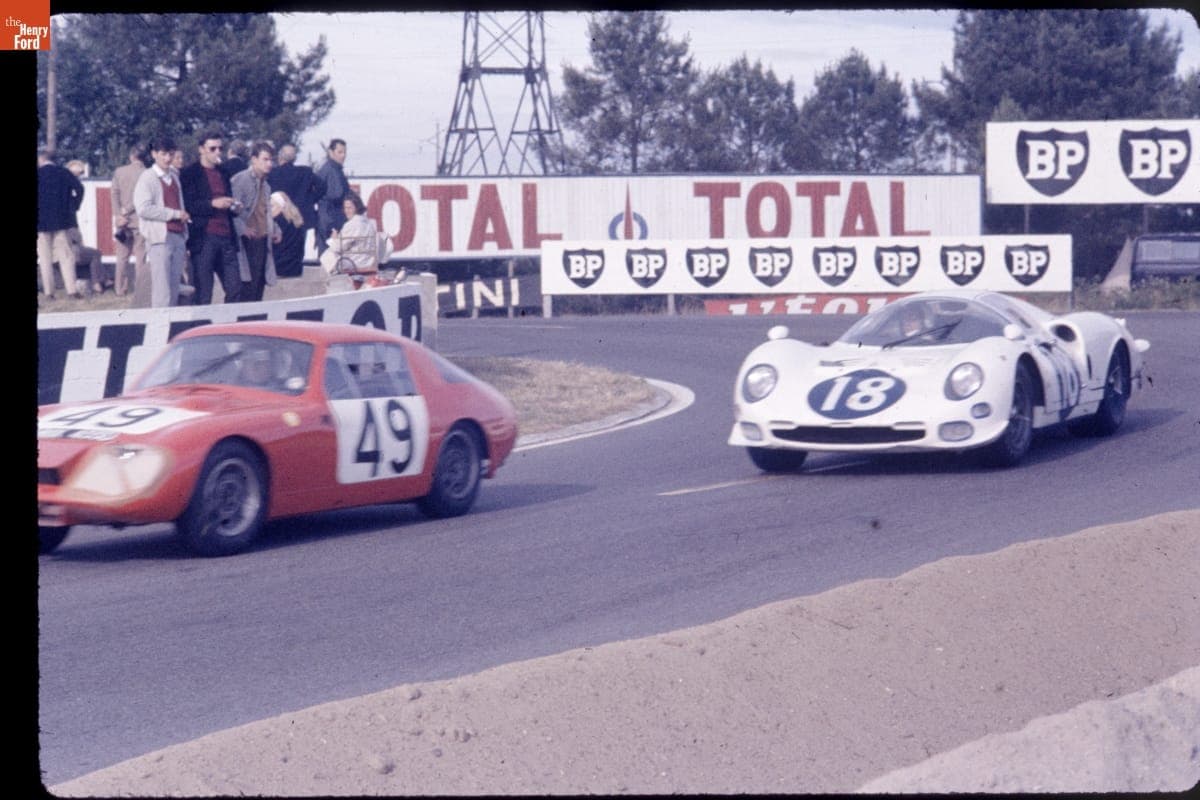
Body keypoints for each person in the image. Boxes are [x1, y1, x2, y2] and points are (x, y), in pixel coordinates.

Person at [181, 131, 243, 304]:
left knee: (235, 287)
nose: (217, 152)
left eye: (220, 148)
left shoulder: (224, 172)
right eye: (212, 148)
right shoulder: (190, 173)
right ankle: (201, 329)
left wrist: (233, 206)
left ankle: (228, 326)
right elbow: (188, 204)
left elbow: (227, 200)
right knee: (203, 291)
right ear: (201, 149)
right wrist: (212, 204)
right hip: (204, 237)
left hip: (226, 236)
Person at [132, 136, 191, 307]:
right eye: (164, 154)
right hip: (160, 239)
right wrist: (174, 214)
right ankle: (159, 328)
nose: (168, 158)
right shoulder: (147, 177)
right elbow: (143, 208)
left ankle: (170, 327)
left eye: (171, 154)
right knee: (162, 290)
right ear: (154, 154)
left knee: (174, 288)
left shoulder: (174, 176)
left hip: (178, 235)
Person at [230, 141, 282, 302]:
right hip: (247, 242)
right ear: (254, 159)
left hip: (261, 240)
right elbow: (231, 209)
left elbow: (265, 212)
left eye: (271, 160)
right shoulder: (241, 179)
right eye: (265, 159)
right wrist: (242, 229)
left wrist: (275, 229)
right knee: (247, 287)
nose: (270, 164)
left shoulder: (265, 185)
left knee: (258, 287)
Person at [269, 143, 325, 277]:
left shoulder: (273, 173)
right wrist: (310, 200)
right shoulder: (305, 172)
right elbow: (322, 186)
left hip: (279, 215)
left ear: (280, 157)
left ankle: (278, 271)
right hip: (300, 216)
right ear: (294, 158)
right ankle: (295, 272)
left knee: (279, 244)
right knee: (298, 246)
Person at [37, 146, 85, 299]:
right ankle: (71, 290)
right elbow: (80, 188)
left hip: (41, 222)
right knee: (66, 255)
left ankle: (49, 293)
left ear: (41, 159)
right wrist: (74, 205)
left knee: (44, 257)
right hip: (61, 220)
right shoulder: (64, 173)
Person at [111, 144, 149, 302]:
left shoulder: (119, 171)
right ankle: (139, 289)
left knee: (121, 257)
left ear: (131, 156)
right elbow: (143, 197)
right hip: (139, 220)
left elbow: (114, 193)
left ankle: (119, 288)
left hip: (122, 221)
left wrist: (119, 214)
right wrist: (128, 209)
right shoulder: (147, 173)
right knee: (140, 257)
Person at [322, 191, 378, 275]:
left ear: (357, 208)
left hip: (354, 263)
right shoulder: (370, 223)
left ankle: (334, 282)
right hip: (369, 262)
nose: (346, 211)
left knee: (326, 255)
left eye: (349, 208)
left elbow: (338, 248)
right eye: (345, 208)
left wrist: (333, 239)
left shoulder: (351, 225)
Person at [315, 138, 348, 257]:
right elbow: (336, 195)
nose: (343, 156)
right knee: (330, 259)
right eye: (340, 152)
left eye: (344, 152)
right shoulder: (331, 170)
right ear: (331, 152)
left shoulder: (334, 169)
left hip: (328, 218)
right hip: (331, 219)